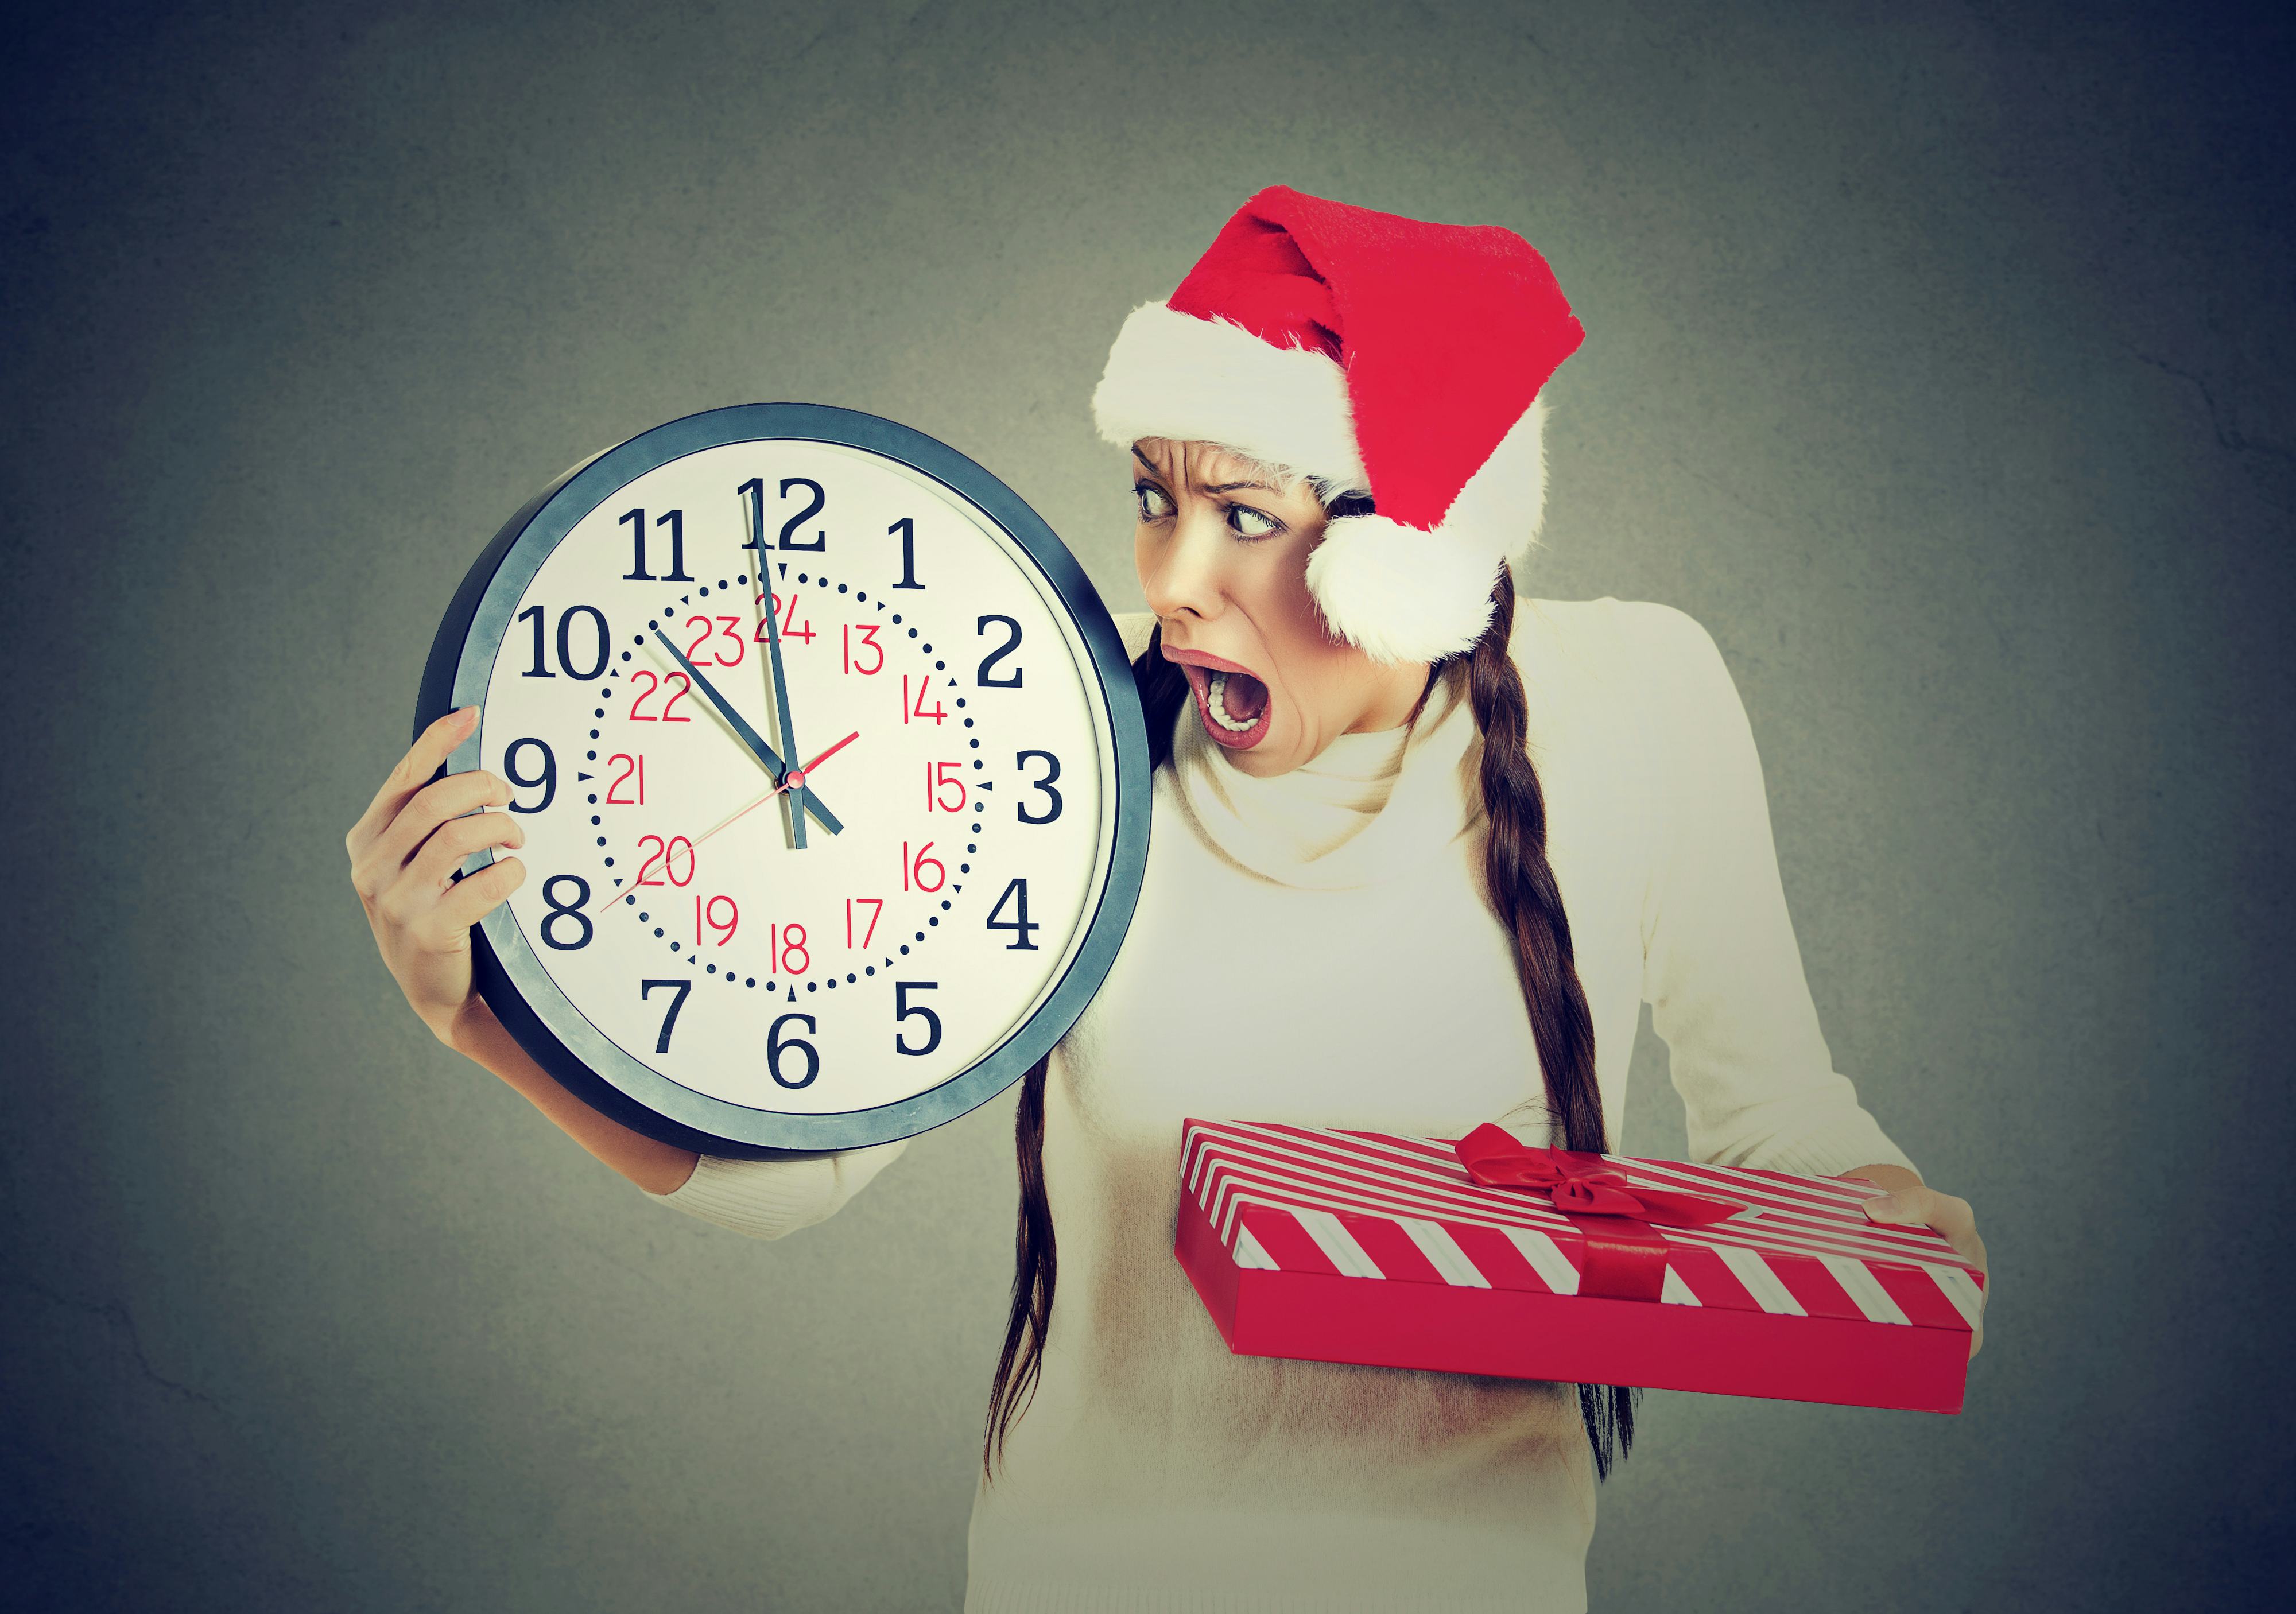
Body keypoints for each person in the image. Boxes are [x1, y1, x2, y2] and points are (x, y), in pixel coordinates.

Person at [347, 185, 1987, 1613]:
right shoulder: (1055, 764)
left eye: (1245, 518)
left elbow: (1785, 1122)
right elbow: (793, 1180)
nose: (1168, 578)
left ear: (1410, 552)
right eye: (1154, 495)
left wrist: (1880, 1215)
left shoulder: (1642, 700)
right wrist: (476, 1017)